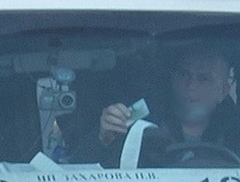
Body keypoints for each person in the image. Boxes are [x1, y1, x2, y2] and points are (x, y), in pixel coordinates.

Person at [98, 44, 240, 164]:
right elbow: (90, 169)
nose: (191, 85)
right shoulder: (139, 117)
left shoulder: (235, 132)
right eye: (184, 74)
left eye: (203, 78)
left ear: (223, 91)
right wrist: (103, 138)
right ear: (172, 79)